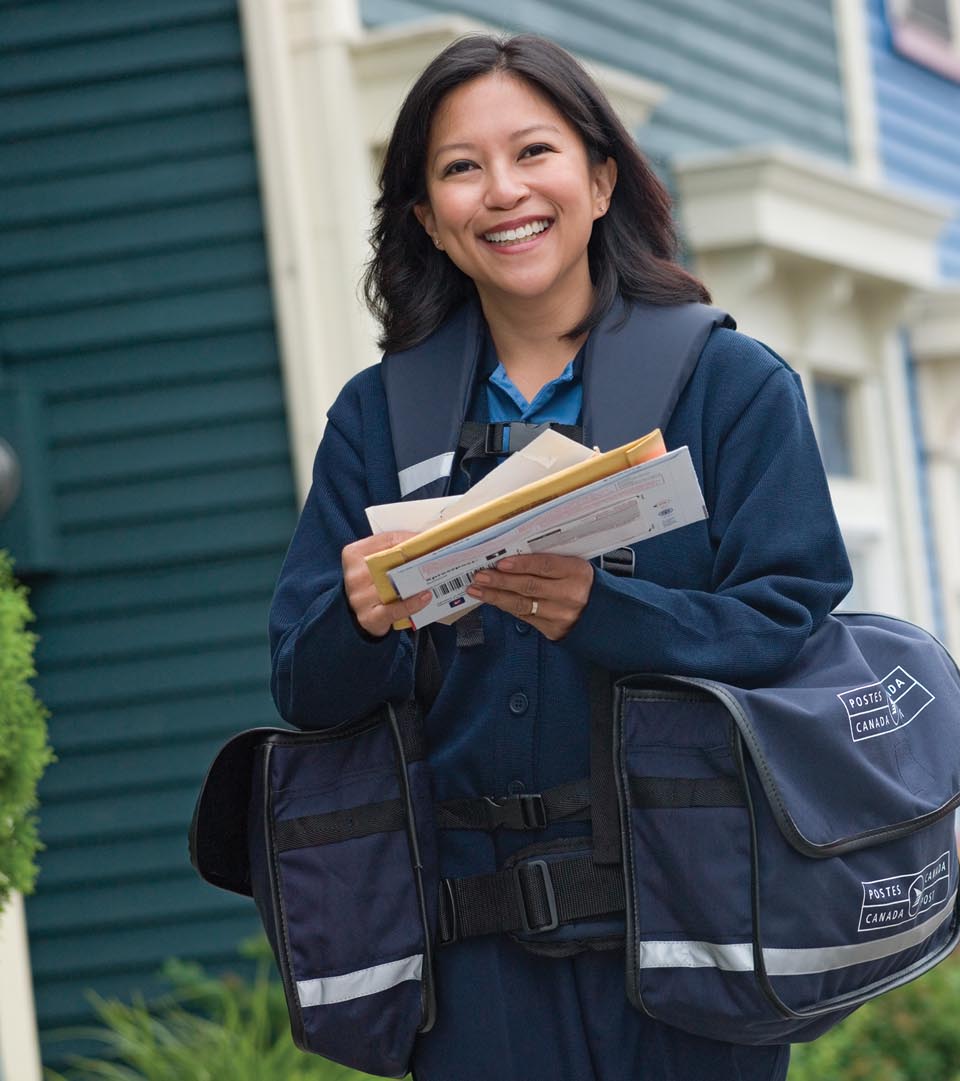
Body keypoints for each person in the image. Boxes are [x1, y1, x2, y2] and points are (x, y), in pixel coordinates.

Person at [268, 32, 851, 1081]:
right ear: (427, 220)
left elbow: (790, 625)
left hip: (694, 939)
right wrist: (360, 616)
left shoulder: (731, 387)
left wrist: (601, 611)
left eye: (534, 152)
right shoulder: (377, 420)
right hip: (473, 975)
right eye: (460, 168)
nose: (503, 192)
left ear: (599, 178)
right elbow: (306, 689)